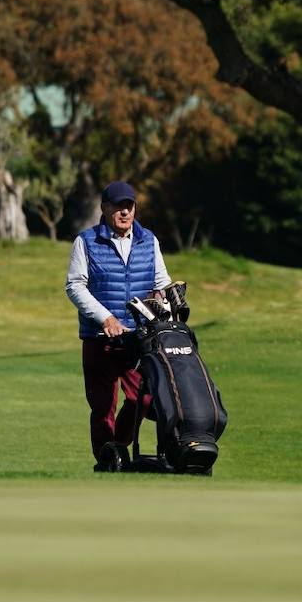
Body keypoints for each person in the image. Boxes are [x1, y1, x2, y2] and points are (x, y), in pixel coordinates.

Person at [66, 180, 173, 470]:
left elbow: (160, 284)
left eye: (129, 206)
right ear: (105, 209)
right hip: (99, 338)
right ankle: (106, 462)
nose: (125, 212)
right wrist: (106, 318)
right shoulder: (86, 241)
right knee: (102, 408)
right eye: (118, 207)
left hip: (137, 339)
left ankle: (118, 448)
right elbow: (75, 286)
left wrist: (162, 299)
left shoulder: (148, 240)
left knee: (146, 398)